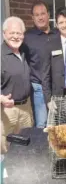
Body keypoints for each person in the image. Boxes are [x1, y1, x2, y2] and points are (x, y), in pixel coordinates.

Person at [1, 16, 33, 153]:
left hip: (26, 107)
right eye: (12, 33)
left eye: (19, 33)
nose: (15, 36)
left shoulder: (24, 50)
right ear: (4, 34)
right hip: (8, 111)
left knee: (25, 144)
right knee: (6, 147)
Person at [24, 0, 58, 128]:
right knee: (42, 123)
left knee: (57, 122)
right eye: (36, 14)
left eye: (43, 13)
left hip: (56, 87)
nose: (40, 17)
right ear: (32, 17)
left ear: (48, 14)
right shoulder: (27, 37)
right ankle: (41, 148)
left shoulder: (57, 34)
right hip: (38, 88)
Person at [41, 7, 66, 112]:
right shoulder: (50, 44)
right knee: (60, 127)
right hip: (58, 96)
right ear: (56, 25)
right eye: (61, 22)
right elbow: (45, 75)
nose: (64, 25)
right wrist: (48, 99)